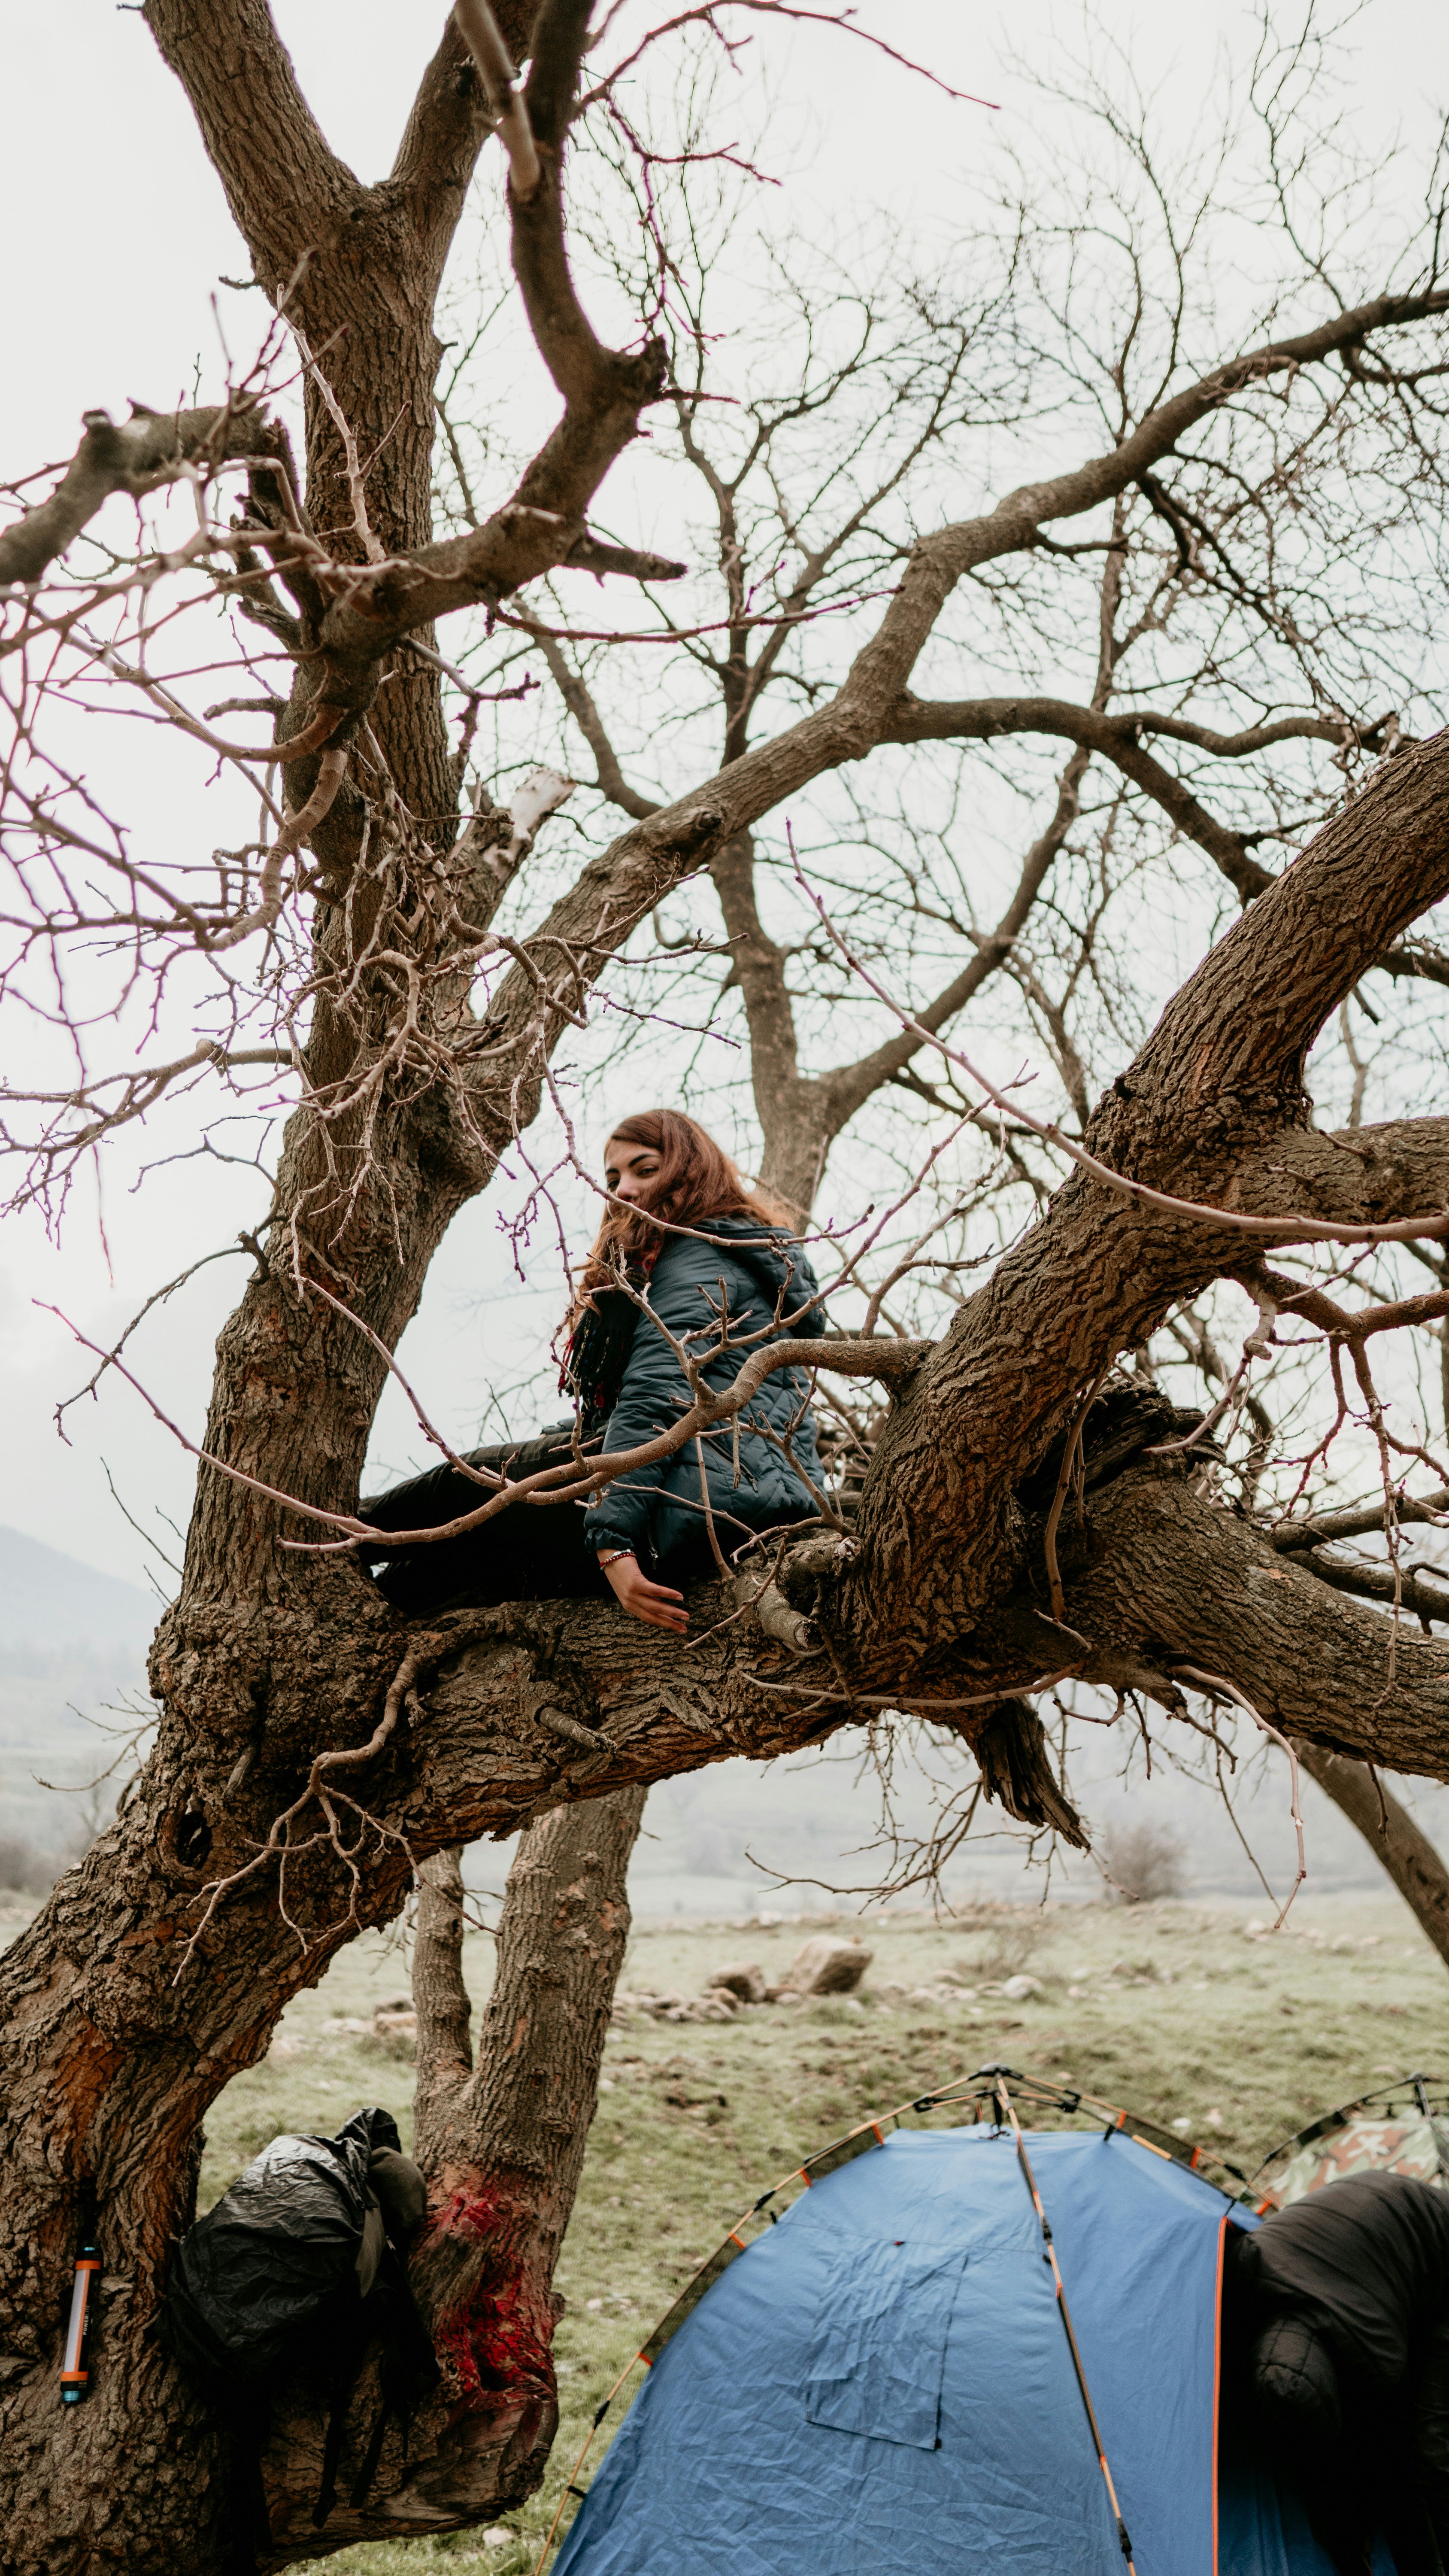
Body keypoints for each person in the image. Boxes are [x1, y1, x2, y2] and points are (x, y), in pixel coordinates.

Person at [358, 1110, 828, 1632]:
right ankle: (363, 1616)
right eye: (612, 1179)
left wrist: (614, 1545)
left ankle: (328, 1536)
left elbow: (659, 1394)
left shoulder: (699, 1255)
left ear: (692, 1171)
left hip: (687, 1504)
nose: (623, 1190)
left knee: (466, 1483)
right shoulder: (731, 1257)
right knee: (455, 1567)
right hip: (727, 1503)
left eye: (643, 1170)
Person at [1221, 2169, 1449, 2575]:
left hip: (1405, 2231)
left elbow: (1398, 2454)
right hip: (1371, 2223)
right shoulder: (1239, 2278)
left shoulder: (1373, 2359)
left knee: (1429, 2453)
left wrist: (1347, 2530)